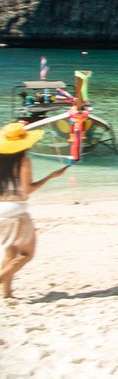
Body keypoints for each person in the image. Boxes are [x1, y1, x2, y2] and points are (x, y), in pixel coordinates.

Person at [1, 122, 69, 299]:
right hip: (15, 211)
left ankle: (7, 293)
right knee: (26, 254)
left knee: (11, 252)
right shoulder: (23, 161)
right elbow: (28, 189)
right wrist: (50, 177)